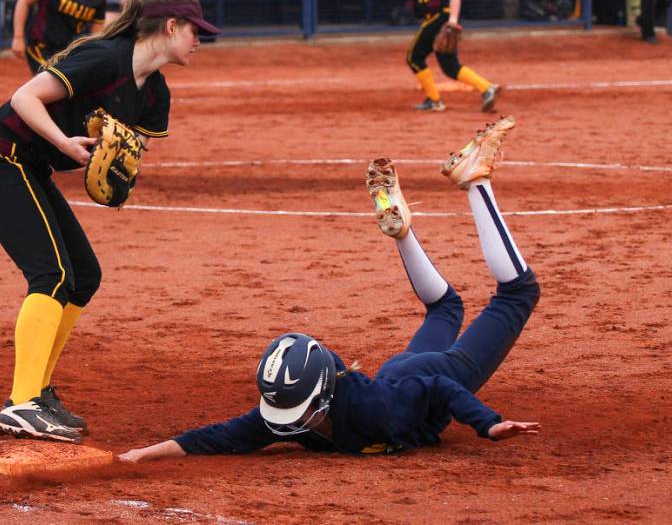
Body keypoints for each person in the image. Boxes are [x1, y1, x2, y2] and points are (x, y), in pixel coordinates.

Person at [119, 117, 541, 462]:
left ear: (322, 396)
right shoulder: (292, 406)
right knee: (445, 307)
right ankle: (403, 235)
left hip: (428, 380)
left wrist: (486, 422)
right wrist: (141, 453)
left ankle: (477, 183)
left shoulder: (378, 411)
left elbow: (441, 389)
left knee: (516, 292)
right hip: (394, 376)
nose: (288, 424)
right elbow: (216, 436)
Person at [0, 0, 221, 443]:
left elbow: (124, 155)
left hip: (29, 165)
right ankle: (21, 404)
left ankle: (36, 391)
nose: (200, 40)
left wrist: (117, 179)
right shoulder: (105, 57)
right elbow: (24, 98)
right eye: (195, 31)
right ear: (171, 26)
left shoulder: (154, 93)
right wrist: (64, 143)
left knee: (84, 275)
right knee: (53, 275)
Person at [389, 0, 501, 113]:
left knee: (414, 57)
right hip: (434, 18)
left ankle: (434, 100)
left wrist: (452, 21)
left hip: (439, 17)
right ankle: (487, 88)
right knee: (450, 67)